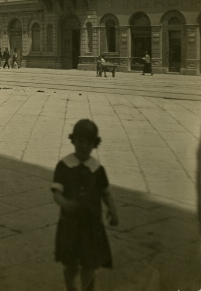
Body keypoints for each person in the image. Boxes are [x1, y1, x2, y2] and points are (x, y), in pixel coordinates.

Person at [52, 119, 118, 291]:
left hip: (91, 226)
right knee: (71, 265)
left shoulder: (97, 169)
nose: (83, 146)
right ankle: (71, 287)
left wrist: (112, 209)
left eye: (88, 143)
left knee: (89, 265)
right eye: (80, 141)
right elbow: (56, 193)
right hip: (69, 226)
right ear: (73, 141)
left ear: (94, 144)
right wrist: (65, 203)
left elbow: (106, 193)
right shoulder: (64, 166)